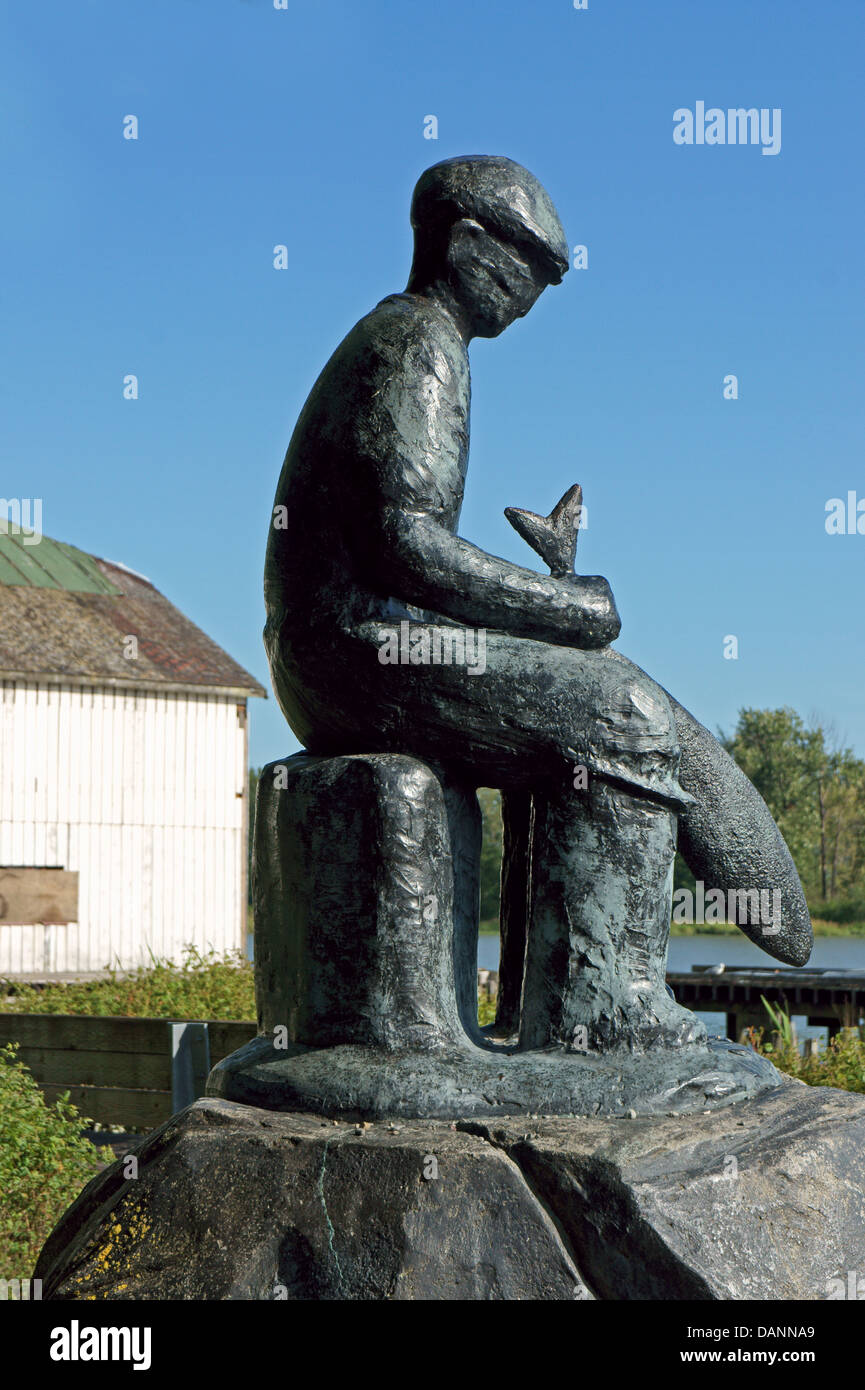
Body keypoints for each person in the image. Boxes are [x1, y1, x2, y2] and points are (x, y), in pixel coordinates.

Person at [264, 155, 811, 1053]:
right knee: (621, 709)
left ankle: (548, 1001)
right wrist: (570, 612)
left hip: (349, 643)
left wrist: (552, 616)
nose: (530, 299)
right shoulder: (417, 343)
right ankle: (605, 1010)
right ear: (466, 241)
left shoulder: (410, 339)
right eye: (527, 271)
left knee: (593, 697)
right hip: (353, 648)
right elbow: (404, 542)